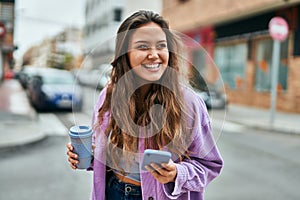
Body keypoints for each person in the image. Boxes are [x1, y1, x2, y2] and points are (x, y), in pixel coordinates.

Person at [67, 10, 223, 200]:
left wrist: (176, 173)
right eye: (143, 47)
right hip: (111, 191)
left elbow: (210, 165)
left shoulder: (188, 102)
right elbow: (104, 154)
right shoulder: (108, 95)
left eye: (161, 46)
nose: (154, 54)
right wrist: (87, 155)